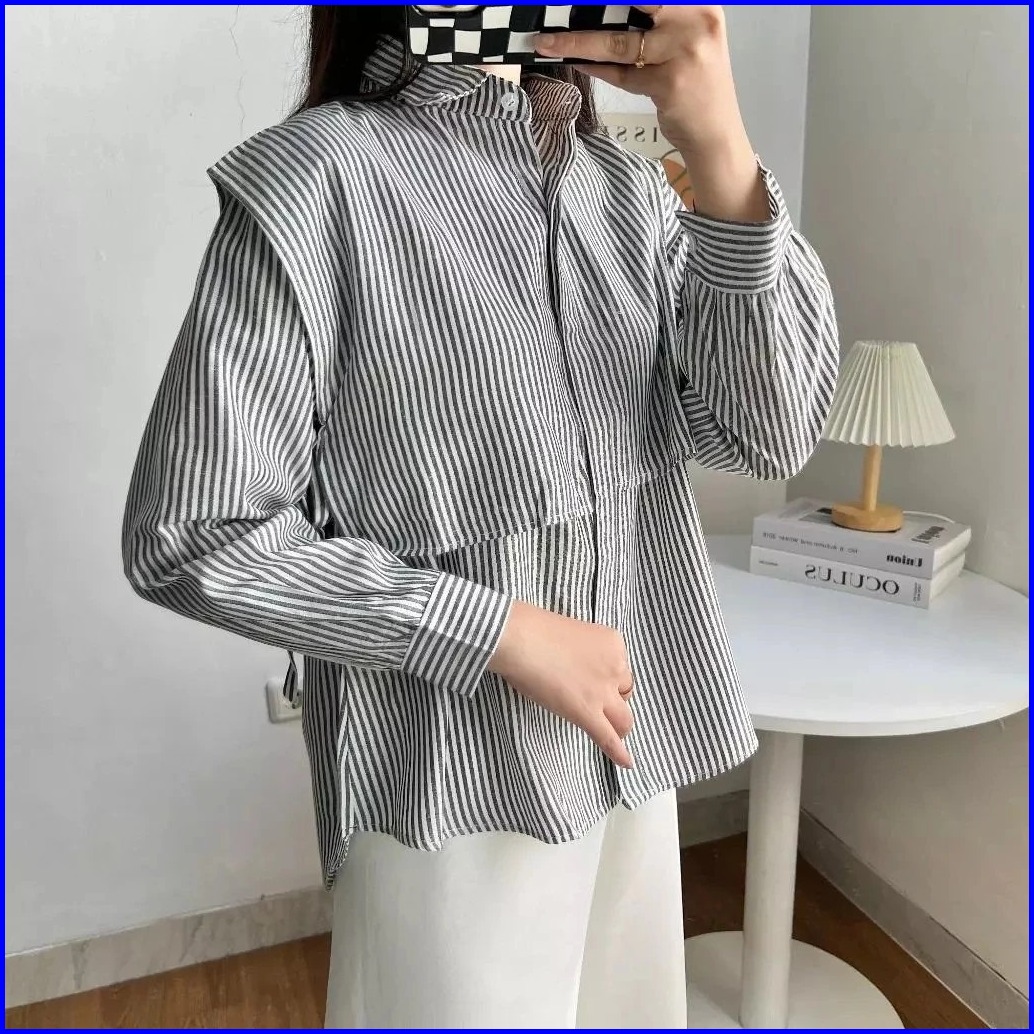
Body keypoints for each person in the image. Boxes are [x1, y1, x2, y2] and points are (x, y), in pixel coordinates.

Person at [122, 5, 838, 1028]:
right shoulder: (319, 178)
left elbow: (765, 434)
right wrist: (497, 631)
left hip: (632, 758)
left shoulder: (623, 189)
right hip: (447, 789)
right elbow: (193, 531)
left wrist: (720, 150)